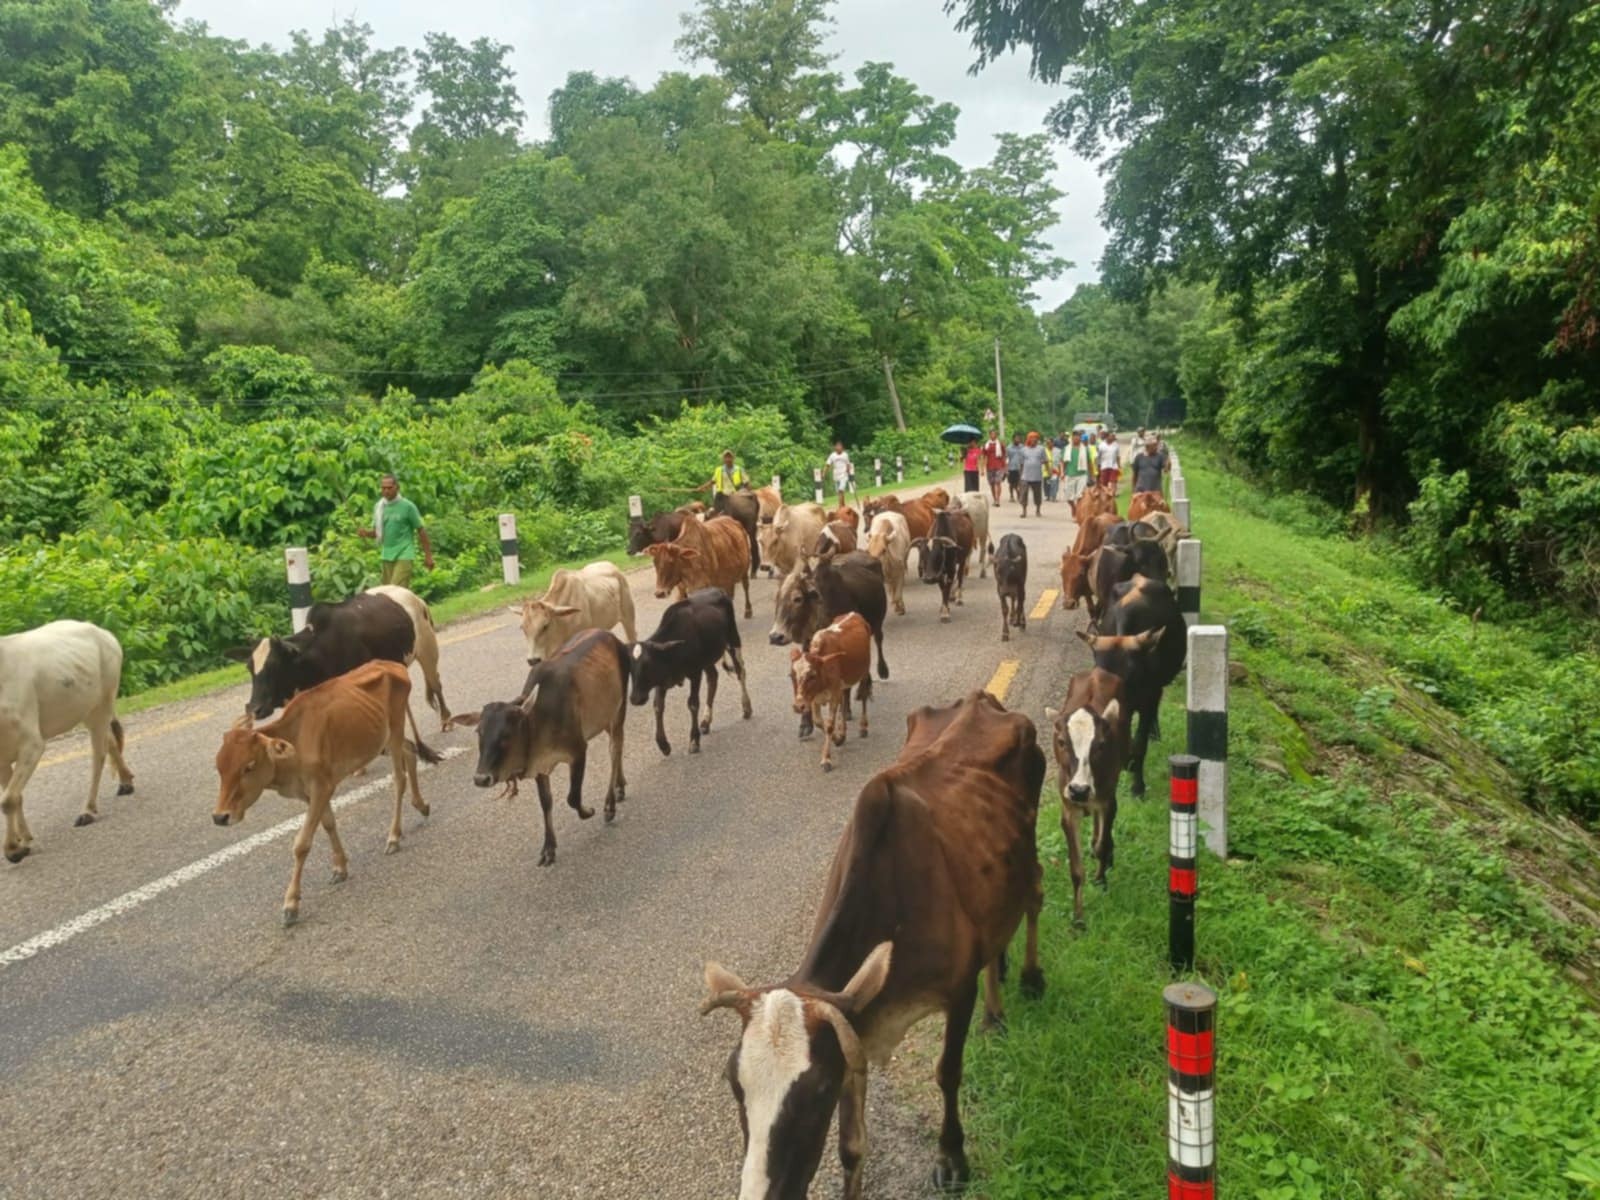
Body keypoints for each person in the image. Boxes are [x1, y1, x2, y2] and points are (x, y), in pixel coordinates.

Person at [359, 473, 433, 588]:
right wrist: (366, 533)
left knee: (396, 590)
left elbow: (421, 530)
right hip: (386, 555)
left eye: (389, 488)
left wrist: (428, 556)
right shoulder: (379, 507)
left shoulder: (408, 506)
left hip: (404, 553)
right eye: (383, 488)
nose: (386, 491)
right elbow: (377, 533)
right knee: (387, 594)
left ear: (397, 488)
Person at [1018, 432, 1048, 517]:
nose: (1034, 440)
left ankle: (1038, 510)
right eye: (1032, 438)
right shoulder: (1023, 450)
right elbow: (1021, 464)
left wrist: (1049, 471)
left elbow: (1045, 461)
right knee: (1023, 494)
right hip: (1025, 476)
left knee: (1037, 495)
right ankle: (1024, 511)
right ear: (1028, 439)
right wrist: (1020, 477)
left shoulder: (1041, 449)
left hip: (1037, 476)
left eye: (1036, 438)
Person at [982, 429, 1007, 504]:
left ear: (996, 435)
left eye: (994, 434)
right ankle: (994, 498)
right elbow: (984, 456)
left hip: (999, 466)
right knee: (992, 484)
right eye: (991, 434)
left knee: (998, 482)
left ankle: (998, 499)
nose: (993, 435)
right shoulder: (986, 445)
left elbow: (1004, 455)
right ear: (989, 435)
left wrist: (1005, 467)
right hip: (989, 466)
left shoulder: (1000, 444)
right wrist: (982, 469)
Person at [1098, 430, 1122, 494]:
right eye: (1111, 436)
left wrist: (1119, 465)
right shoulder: (1101, 445)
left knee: (1113, 481)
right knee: (1104, 483)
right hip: (1104, 466)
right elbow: (1099, 457)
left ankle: (1113, 495)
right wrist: (1098, 466)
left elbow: (1118, 456)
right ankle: (1105, 495)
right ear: (1107, 436)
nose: (1113, 437)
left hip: (1114, 466)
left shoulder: (1116, 445)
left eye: (1113, 436)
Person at [1006, 432, 1025, 503]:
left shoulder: (1022, 447)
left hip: (1020, 468)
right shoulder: (1009, 448)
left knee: (1019, 483)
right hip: (1011, 468)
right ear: (1013, 439)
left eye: (1019, 438)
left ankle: (1018, 494)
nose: (1018, 440)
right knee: (1011, 483)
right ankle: (1011, 496)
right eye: (1016, 438)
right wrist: (1006, 469)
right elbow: (1007, 458)